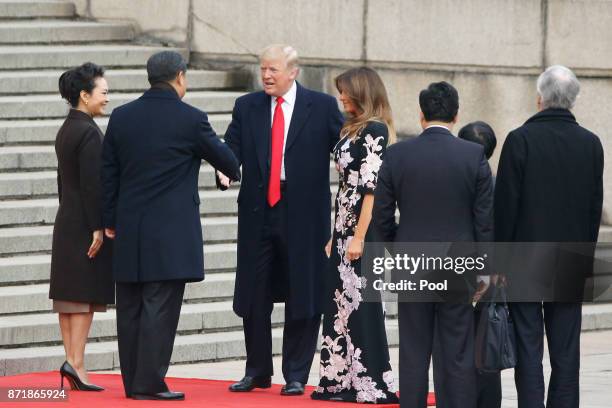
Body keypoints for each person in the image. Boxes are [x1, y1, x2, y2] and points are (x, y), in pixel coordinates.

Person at [101, 51, 240, 401]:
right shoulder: (191, 119)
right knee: (159, 309)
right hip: (171, 233)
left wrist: (109, 220)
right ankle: (150, 383)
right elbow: (229, 162)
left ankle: (134, 383)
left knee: (131, 306)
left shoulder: (121, 116)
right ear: (180, 76)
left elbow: (108, 174)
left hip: (130, 228)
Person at [217, 44, 343, 396]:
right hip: (259, 210)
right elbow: (232, 147)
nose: (266, 76)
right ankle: (256, 371)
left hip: (303, 212)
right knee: (254, 292)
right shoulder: (248, 106)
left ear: (293, 72)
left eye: (273, 70)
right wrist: (225, 170)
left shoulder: (320, 106)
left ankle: (296, 374)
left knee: (303, 290)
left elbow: (343, 144)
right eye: (263, 69)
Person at [373, 81, 494, 408]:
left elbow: (381, 217)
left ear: (421, 114)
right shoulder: (473, 155)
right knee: (457, 351)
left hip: (411, 262)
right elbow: (484, 223)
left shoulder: (398, 154)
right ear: (456, 115)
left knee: (413, 350)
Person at [495, 65, 604, 408]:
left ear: (539, 98)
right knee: (566, 347)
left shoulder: (520, 139)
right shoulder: (591, 143)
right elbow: (593, 207)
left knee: (528, 344)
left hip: (525, 257)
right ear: (573, 100)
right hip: (572, 254)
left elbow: (506, 206)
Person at [311, 67, 398, 404]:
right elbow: (346, 189)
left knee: (361, 306)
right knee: (338, 306)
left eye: (345, 92)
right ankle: (339, 380)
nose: (341, 97)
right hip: (345, 228)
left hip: (364, 231)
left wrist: (359, 236)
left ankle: (370, 383)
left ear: (362, 92)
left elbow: (371, 190)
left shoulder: (375, 130)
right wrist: (337, 233)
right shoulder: (352, 128)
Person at [50, 62, 114, 392]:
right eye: (103, 93)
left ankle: (71, 361)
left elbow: (64, 181)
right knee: (84, 297)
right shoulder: (89, 131)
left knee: (68, 298)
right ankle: (77, 363)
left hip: (67, 219)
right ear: (85, 95)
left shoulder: (67, 128)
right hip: (84, 223)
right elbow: (93, 185)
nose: (107, 98)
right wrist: (98, 227)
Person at [458, 121, 501, 408]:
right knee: (488, 342)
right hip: (491, 268)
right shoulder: (498, 181)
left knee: (458, 341)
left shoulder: (457, 178)